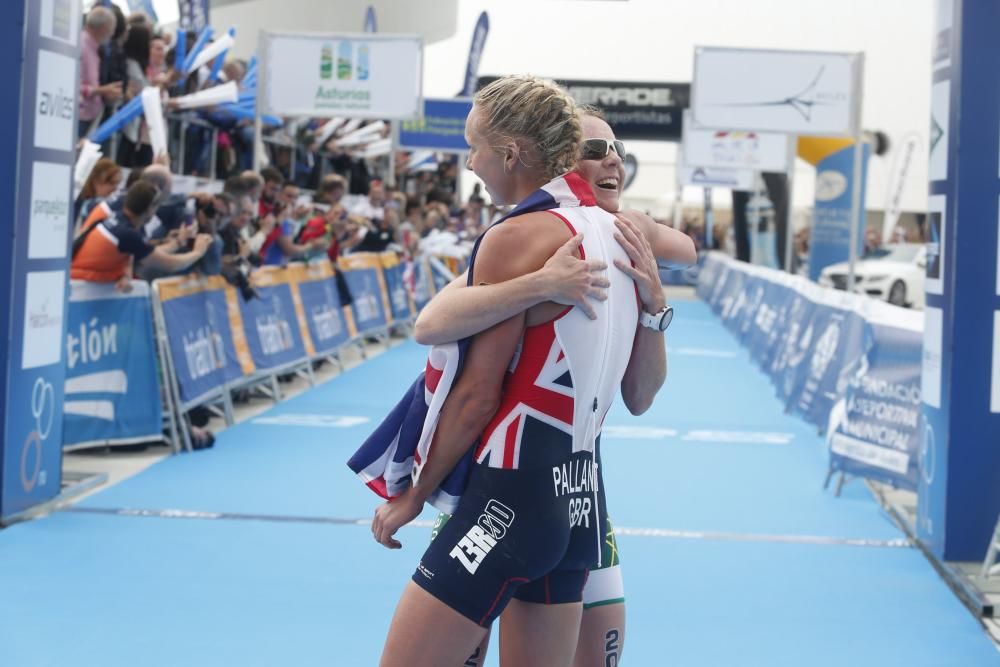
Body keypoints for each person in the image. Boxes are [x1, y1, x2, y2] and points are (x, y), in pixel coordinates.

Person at [364, 75, 667, 667]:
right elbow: (638, 391)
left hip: (508, 498)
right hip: (577, 502)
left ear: (510, 153)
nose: (471, 162)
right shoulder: (620, 235)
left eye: (475, 147)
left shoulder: (518, 236)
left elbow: (477, 395)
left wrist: (414, 496)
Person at [71, 181, 213, 291]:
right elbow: (170, 264)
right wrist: (198, 252)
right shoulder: (127, 234)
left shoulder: (118, 220)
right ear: (150, 208)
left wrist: (178, 241)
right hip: (80, 287)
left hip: (79, 282)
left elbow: (147, 253)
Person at [74, 158, 123, 230]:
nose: (115, 188)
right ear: (96, 182)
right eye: (111, 183)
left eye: (117, 183)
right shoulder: (89, 204)